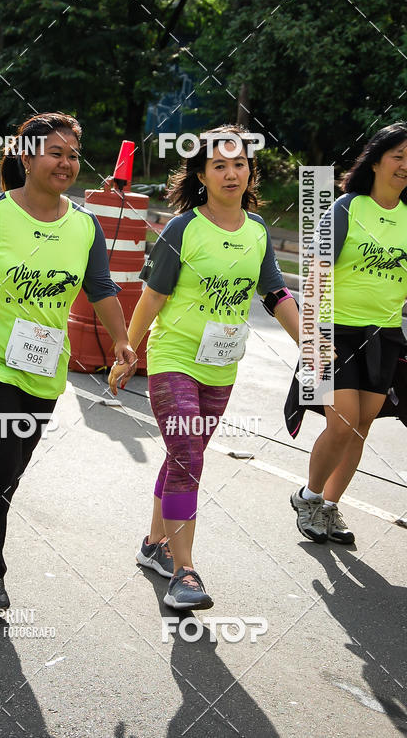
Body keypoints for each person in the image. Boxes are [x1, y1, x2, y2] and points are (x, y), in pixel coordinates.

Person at [0, 112, 135, 612]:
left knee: (10, 464)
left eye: (73, 155)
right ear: (27, 158)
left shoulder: (85, 225)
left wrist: (122, 340)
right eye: (55, 153)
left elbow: (100, 288)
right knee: (1, 456)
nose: (66, 163)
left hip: (43, 363)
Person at [109, 126, 299, 610]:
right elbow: (153, 297)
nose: (231, 173)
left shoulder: (257, 230)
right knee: (189, 456)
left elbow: (275, 292)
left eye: (239, 164)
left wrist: (311, 344)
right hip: (174, 357)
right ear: (201, 175)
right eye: (219, 165)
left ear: (250, 171)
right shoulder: (183, 228)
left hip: (222, 365)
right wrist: (128, 351)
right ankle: (184, 571)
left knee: (182, 456)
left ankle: (154, 544)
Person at [289, 122, 407, 545]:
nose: (405, 166)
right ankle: (308, 497)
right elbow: (315, 272)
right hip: (334, 331)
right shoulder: (346, 208)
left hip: (385, 336)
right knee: (343, 423)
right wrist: (312, 335)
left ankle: (330, 506)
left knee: (362, 427)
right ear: (375, 161)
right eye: (398, 156)